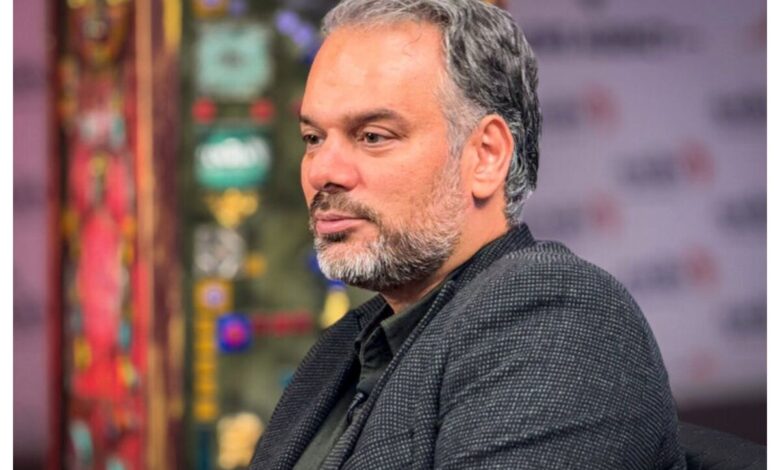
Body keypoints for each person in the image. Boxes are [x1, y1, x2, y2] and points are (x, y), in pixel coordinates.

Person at [250, 0, 686, 468]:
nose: (323, 171)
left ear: (486, 156)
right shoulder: (348, 344)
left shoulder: (554, 316)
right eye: (313, 139)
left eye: (373, 136)